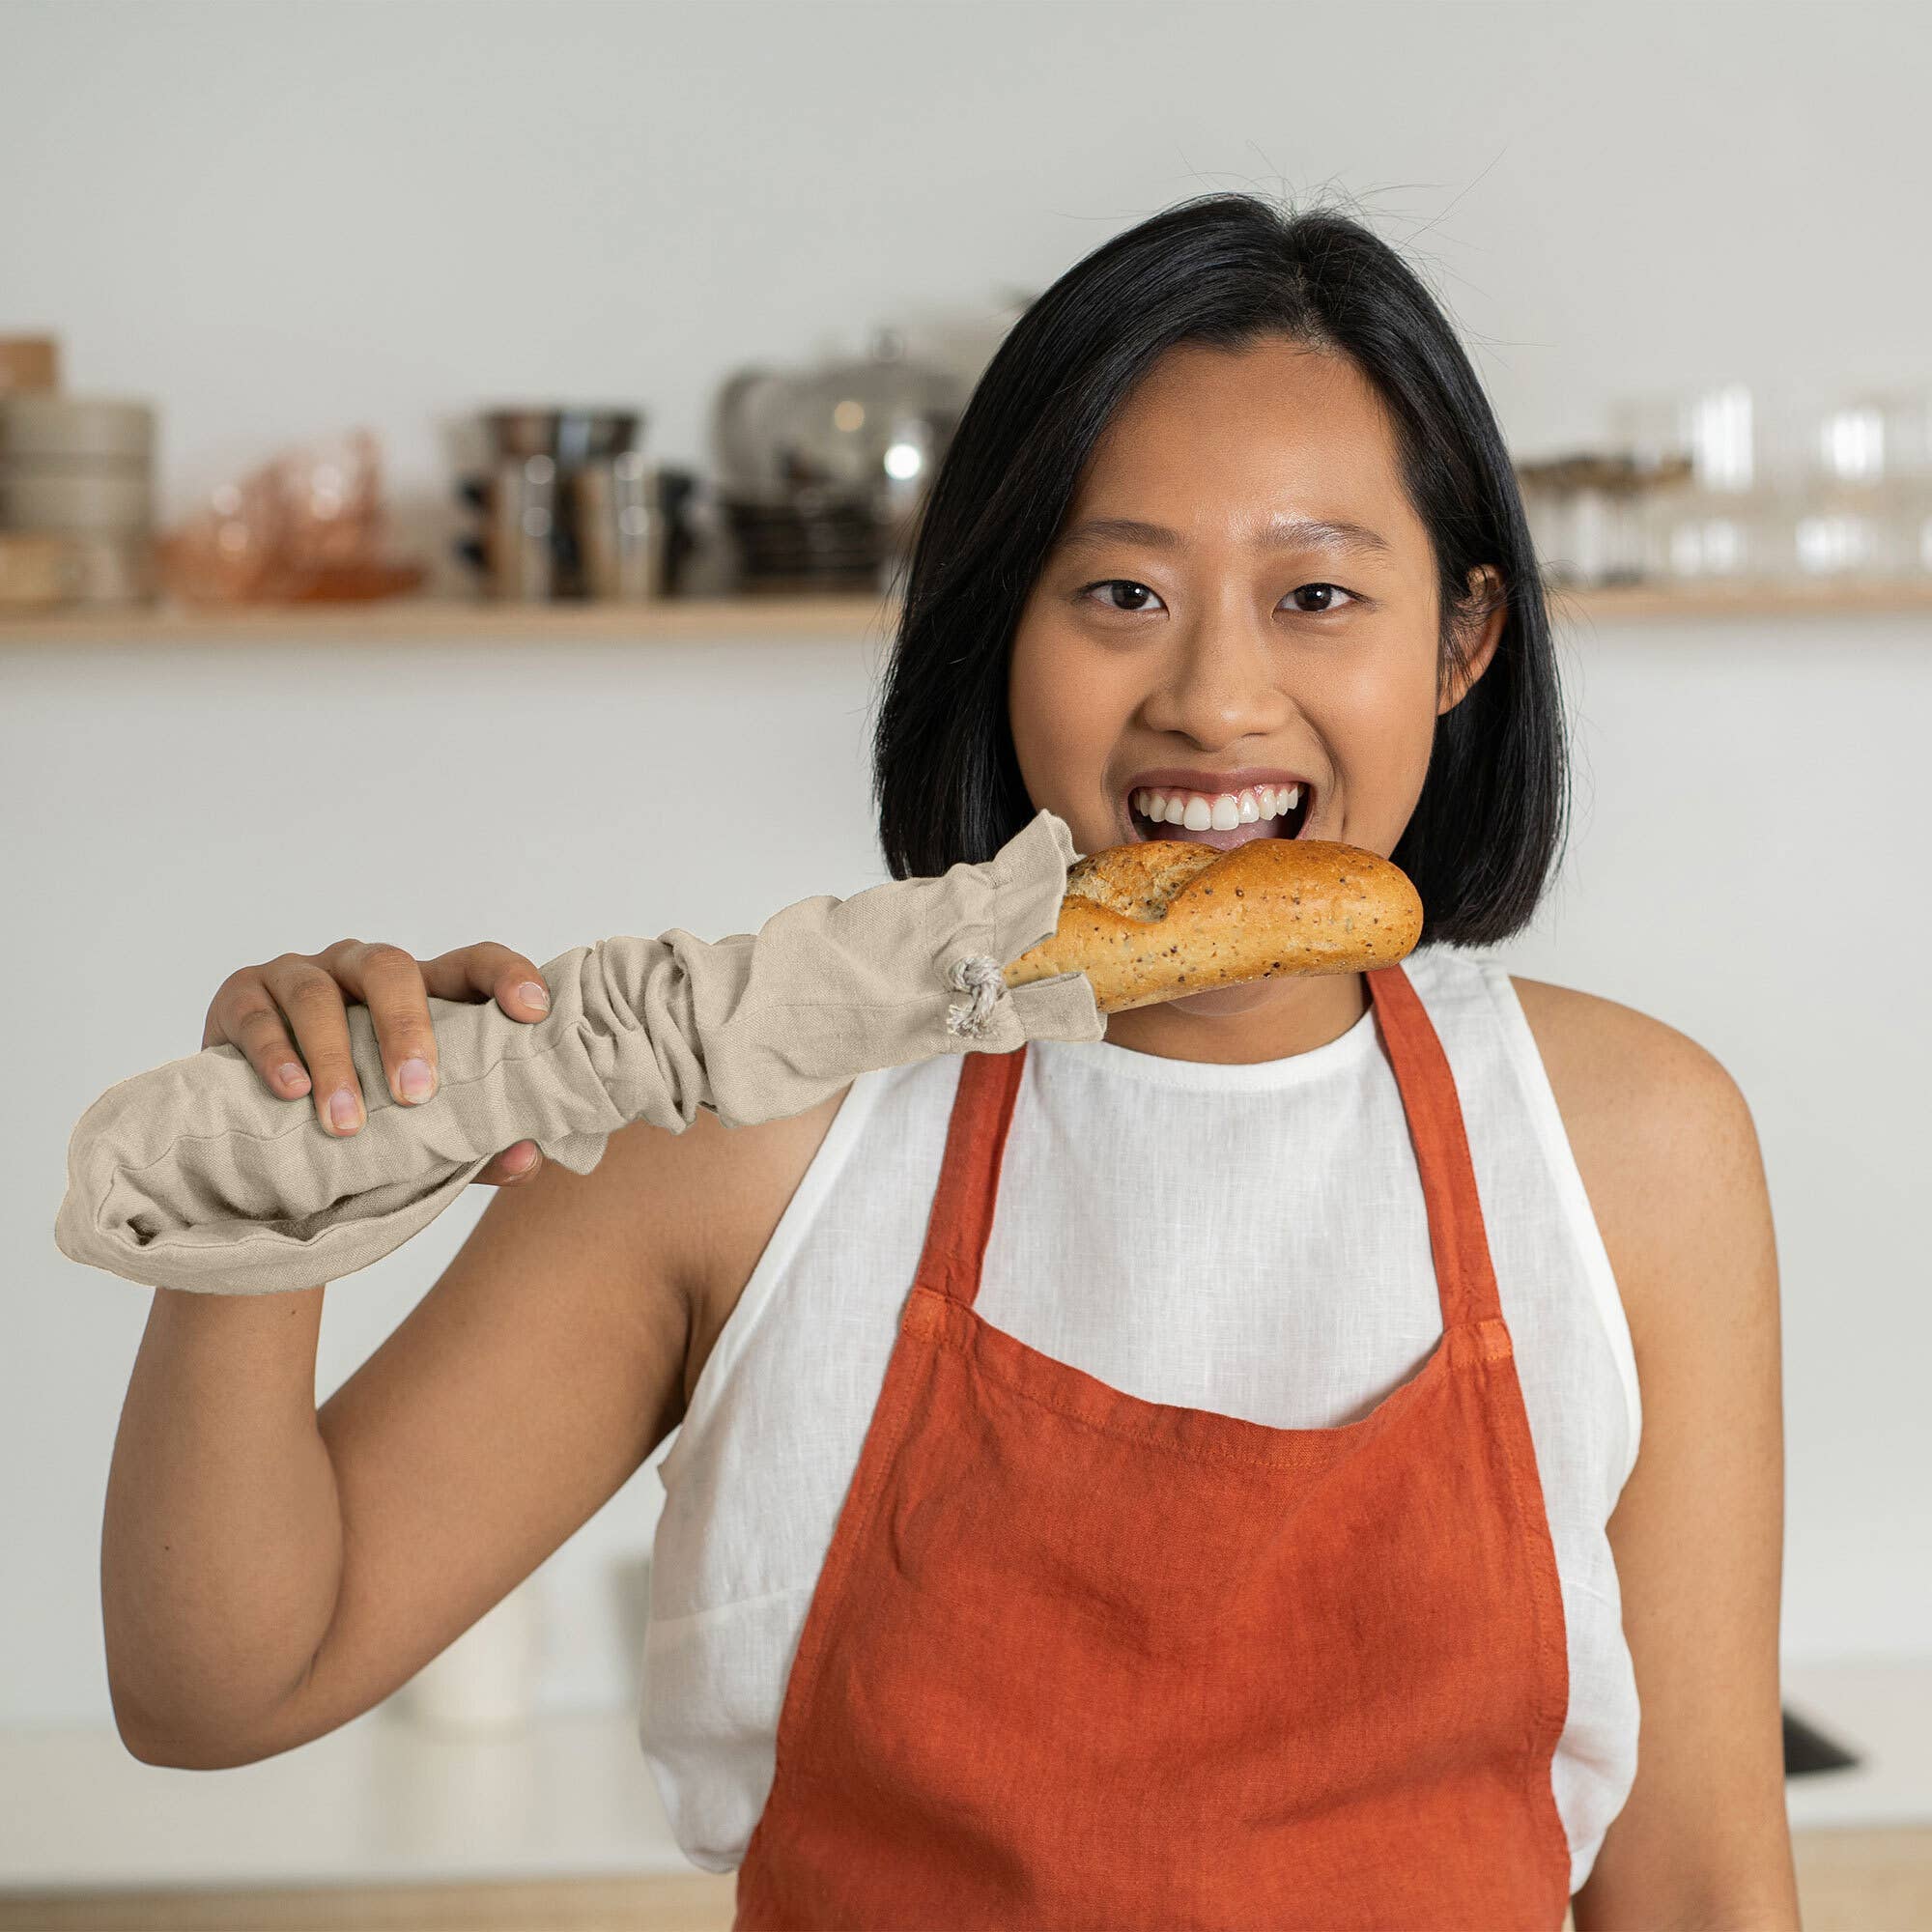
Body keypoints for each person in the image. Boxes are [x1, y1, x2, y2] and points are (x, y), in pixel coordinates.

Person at [99, 192, 1799, 1931]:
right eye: (1121, 590)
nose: (1218, 698)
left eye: (1318, 594)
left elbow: (1701, 1883)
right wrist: (275, 1182)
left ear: (1462, 643)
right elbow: (223, 1688)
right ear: (999, 629)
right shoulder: (744, 1128)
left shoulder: (1634, 1144)